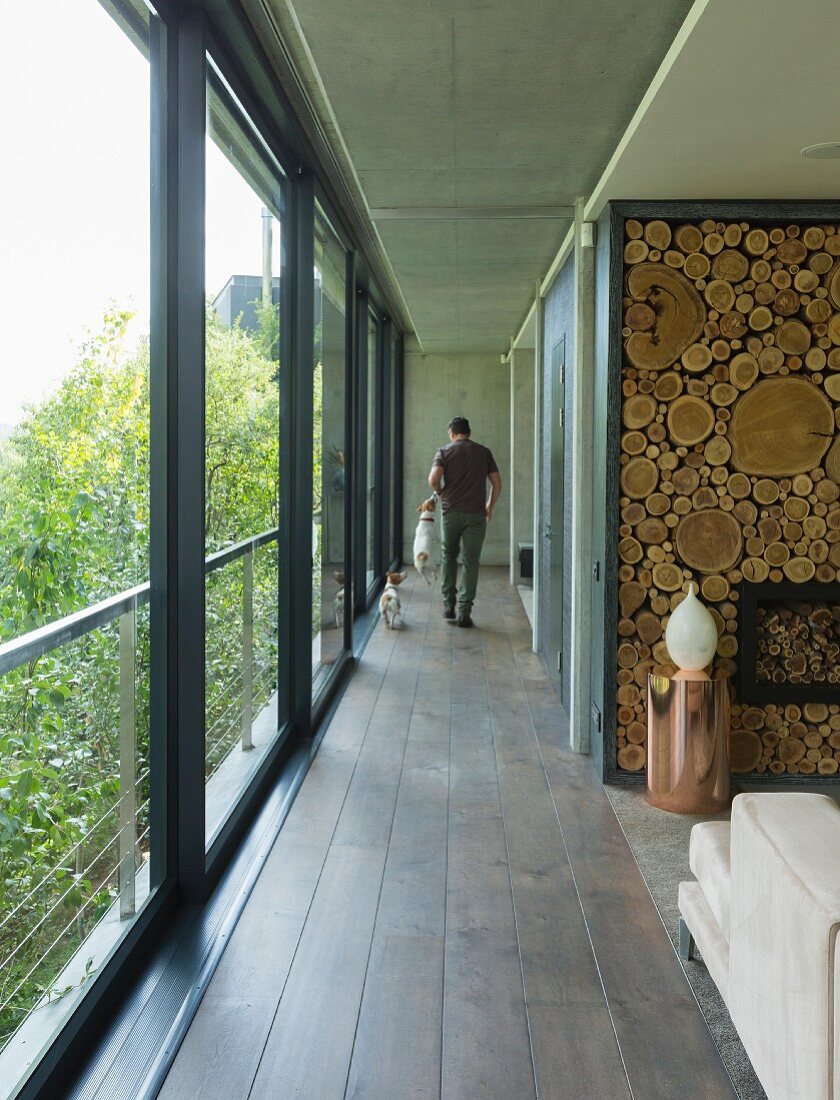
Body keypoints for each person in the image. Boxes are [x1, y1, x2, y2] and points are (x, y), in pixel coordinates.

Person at [428, 416, 502, 628]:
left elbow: (433, 479)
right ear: (468, 432)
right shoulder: (483, 452)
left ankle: (448, 605)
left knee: (449, 555)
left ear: (452, 433)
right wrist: (489, 506)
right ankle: (464, 612)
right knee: (471, 562)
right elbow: (497, 483)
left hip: (451, 513)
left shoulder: (444, 451)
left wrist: (441, 493)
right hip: (476, 515)